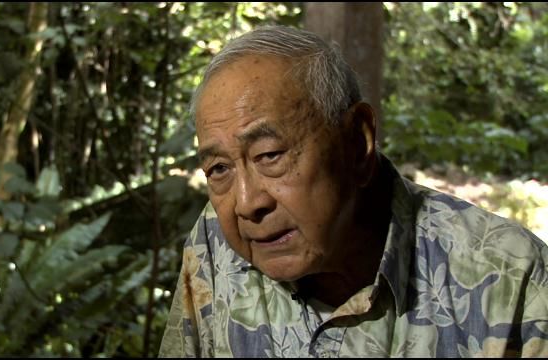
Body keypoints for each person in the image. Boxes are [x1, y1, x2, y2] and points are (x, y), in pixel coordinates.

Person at [159, 25, 548, 357]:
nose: (247, 203)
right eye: (220, 169)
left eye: (270, 155)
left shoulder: (513, 279)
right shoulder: (214, 243)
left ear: (357, 142)